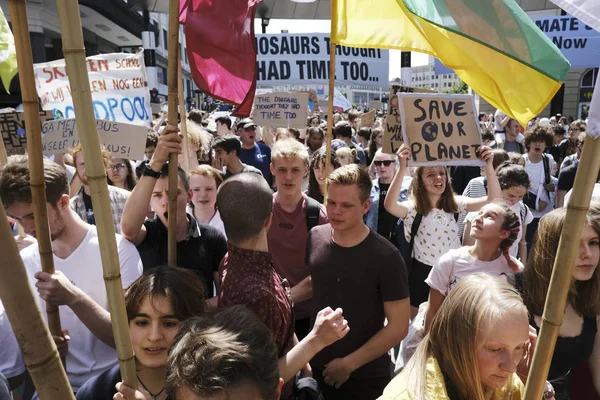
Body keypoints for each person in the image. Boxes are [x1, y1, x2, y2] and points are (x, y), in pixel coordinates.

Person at [0, 156, 143, 394]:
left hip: (114, 383)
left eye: (34, 215)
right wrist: (44, 346)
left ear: (64, 202)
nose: (28, 227)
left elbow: (131, 339)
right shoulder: (25, 262)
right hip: (53, 382)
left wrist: (74, 298)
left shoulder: (117, 251)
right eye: (19, 218)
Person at [216, 172, 349, 400]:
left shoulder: (234, 260)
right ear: (269, 220)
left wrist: (305, 368)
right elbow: (257, 380)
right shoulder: (257, 294)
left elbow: (281, 335)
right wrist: (316, 339)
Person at [307, 164, 410, 399]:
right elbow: (318, 281)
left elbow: (398, 326)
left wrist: (349, 364)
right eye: (331, 202)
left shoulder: (387, 257)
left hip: (366, 378)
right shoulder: (316, 236)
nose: (336, 211)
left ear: (365, 206)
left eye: (346, 205)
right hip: (316, 369)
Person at [380, 273, 556, 400]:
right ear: (456, 343)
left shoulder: (511, 387)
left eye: (519, 347)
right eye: (495, 349)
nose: (511, 367)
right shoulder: (405, 396)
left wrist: (537, 387)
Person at [384, 144, 501, 316]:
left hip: (451, 273)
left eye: (442, 173)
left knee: (447, 325)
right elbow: (390, 205)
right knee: (419, 328)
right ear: (420, 182)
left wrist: (489, 166)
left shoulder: (456, 204)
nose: (438, 178)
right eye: (430, 175)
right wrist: (402, 168)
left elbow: (494, 199)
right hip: (421, 275)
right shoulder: (412, 209)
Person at [121, 125, 228, 298]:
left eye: (174, 193)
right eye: (157, 195)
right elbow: (128, 228)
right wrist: (155, 163)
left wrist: (195, 309)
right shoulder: (146, 235)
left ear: (188, 196)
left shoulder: (212, 238)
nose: (166, 201)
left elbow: (225, 296)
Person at [76, 267, 207, 399]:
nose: (154, 336)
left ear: (194, 327)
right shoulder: (96, 392)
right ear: (126, 326)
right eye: (142, 323)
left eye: (169, 324)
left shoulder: (213, 390)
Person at [517, 205, 600, 400]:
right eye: (574, 243)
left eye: (594, 242)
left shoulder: (592, 299)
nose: (586, 253)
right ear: (550, 247)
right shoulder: (512, 290)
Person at [425, 200, 523, 332]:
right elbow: (432, 312)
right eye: (480, 213)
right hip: (450, 340)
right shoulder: (450, 261)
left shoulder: (514, 270)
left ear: (504, 233)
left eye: (489, 216)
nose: (478, 218)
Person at [267, 139, 328, 340]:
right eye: (282, 170)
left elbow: (322, 272)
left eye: (295, 170)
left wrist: (284, 298)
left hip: (307, 316)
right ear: (272, 169)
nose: (289, 177)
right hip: (268, 314)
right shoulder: (260, 210)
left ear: (305, 171)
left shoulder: (319, 215)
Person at [463, 163, 532, 262]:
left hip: (508, 272)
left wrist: (522, 267)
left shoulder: (523, 210)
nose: (515, 200)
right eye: (511, 195)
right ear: (499, 187)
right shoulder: (478, 212)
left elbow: (522, 242)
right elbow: (467, 251)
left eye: (521, 196)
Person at [70, 144, 130, 234]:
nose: (89, 167)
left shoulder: (126, 199)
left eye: (93, 162)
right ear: (76, 168)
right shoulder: (71, 209)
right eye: (83, 164)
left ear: (105, 165)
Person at [522, 124, 556, 252]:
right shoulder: (522, 160)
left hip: (546, 211)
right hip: (527, 211)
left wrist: (550, 186)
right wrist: (534, 203)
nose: (538, 144)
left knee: (544, 247)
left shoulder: (549, 159)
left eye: (542, 141)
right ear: (528, 143)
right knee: (527, 245)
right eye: (534, 141)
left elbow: (548, 180)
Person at [365, 149, 412, 241]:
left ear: (394, 164)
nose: (382, 166)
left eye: (386, 163)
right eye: (378, 163)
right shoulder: (369, 187)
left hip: (400, 239)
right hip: (375, 238)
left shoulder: (408, 184)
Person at [188, 165, 226, 237]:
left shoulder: (228, 223)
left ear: (218, 190)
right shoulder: (179, 219)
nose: (203, 195)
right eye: (196, 189)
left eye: (209, 189)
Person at [237, 118, 273, 186]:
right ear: (239, 132)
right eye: (247, 129)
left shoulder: (265, 148)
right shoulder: (235, 153)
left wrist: (274, 188)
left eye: (253, 129)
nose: (251, 132)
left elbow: (275, 170)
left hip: (266, 193)